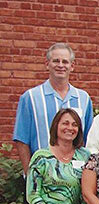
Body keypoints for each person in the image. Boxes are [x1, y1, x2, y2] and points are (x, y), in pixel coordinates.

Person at [14, 43, 93, 172]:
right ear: (47, 64)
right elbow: (22, 140)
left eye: (65, 62)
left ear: (72, 66)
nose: (60, 65)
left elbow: (88, 139)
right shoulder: (31, 98)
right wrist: (30, 175)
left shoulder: (83, 98)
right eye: (56, 61)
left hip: (75, 174)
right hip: (42, 173)